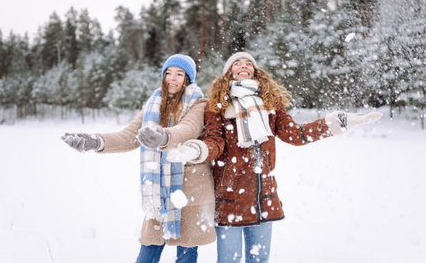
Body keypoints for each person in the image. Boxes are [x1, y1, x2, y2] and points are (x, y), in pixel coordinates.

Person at [166, 52, 382, 263]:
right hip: (230, 197)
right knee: (229, 259)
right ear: (228, 72)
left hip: (263, 196)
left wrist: (335, 122)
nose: (244, 65)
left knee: (259, 258)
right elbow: (215, 142)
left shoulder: (270, 104)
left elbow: (295, 134)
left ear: (255, 71)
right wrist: (196, 149)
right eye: (237, 63)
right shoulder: (218, 106)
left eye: (248, 63)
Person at [61, 54, 216, 263]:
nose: (173, 78)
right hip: (159, 191)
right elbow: (130, 136)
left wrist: (164, 137)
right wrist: (96, 141)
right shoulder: (153, 104)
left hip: (189, 190)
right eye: (168, 73)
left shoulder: (198, 104)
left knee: (186, 255)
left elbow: (187, 129)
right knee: (148, 252)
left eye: (180, 74)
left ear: (188, 78)